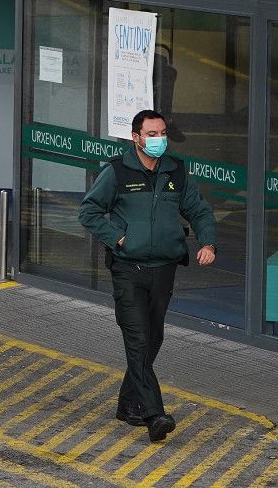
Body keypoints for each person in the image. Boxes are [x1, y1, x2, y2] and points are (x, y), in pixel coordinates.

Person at [78, 109, 217, 443]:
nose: (159, 140)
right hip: (128, 270)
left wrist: (208, 241)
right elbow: (89, 211)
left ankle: (128, 406)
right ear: (136, 138)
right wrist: (119, 238)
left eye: (162, 133)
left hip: (164, 270)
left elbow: (198, 210)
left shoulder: (175, 171)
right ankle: (153, 413)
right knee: (138, 339)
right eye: (151, 134)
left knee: (153, 339)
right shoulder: (117, 171)